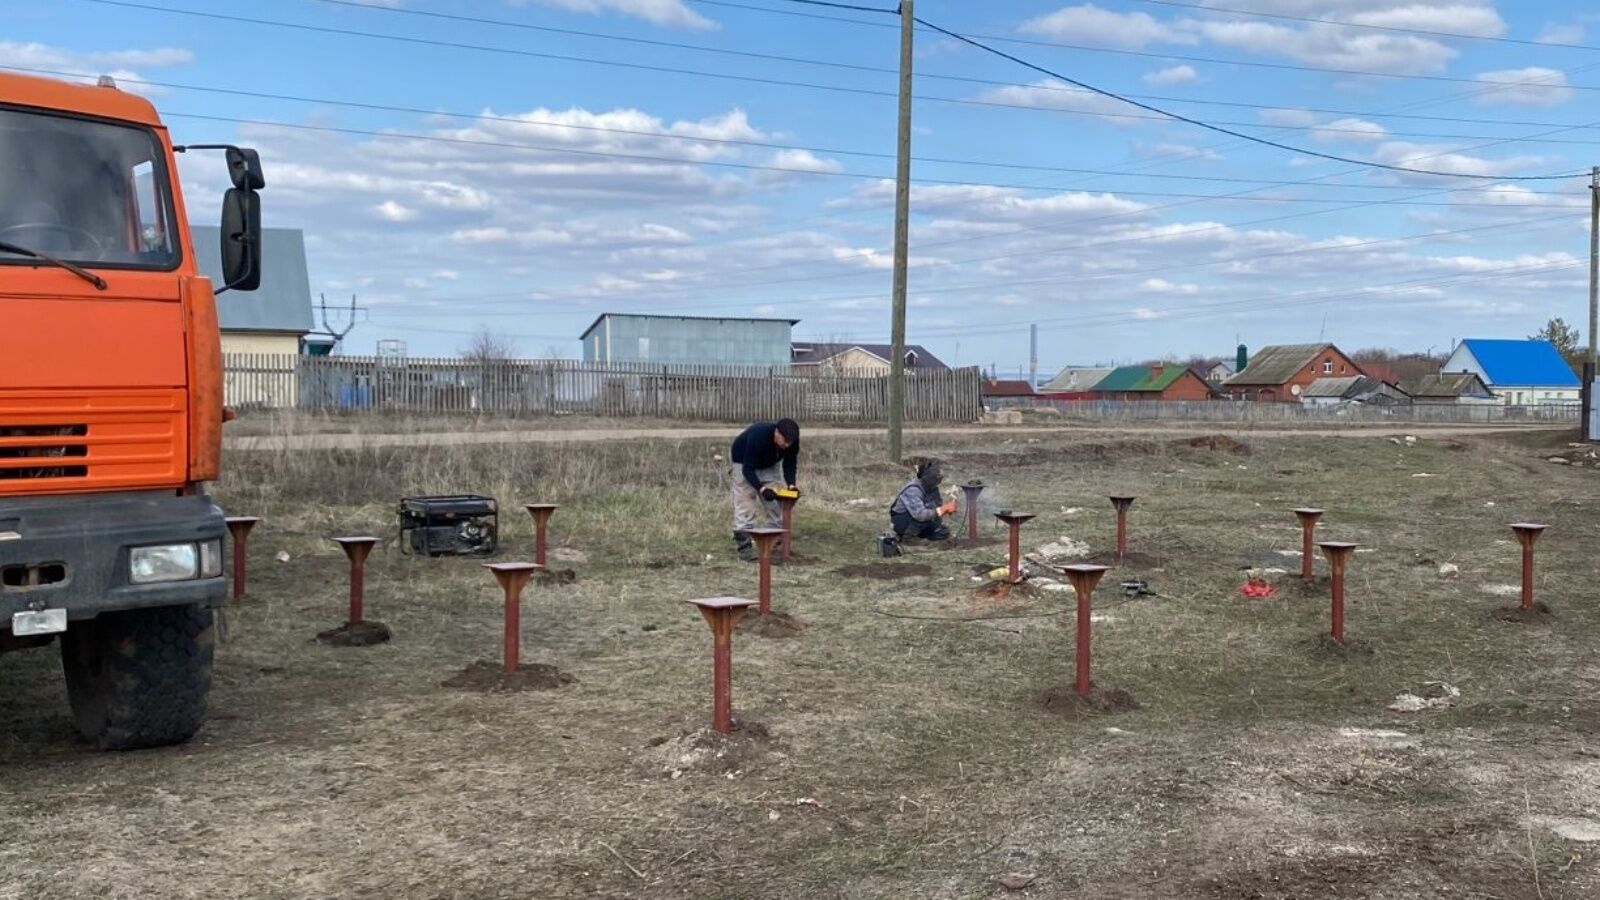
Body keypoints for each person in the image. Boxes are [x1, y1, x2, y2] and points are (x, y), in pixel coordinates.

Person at [729, 418, 800, 561]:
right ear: (777, 433)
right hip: (743, 461)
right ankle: (744, 547)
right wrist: (761, 489)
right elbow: (747, 469)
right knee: (745, 502)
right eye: (784, 441)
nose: (786, 445)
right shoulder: (759, 435)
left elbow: (790, 463)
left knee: (775, 505)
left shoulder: (792, 441)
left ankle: (771, 540)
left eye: (790, 443)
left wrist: (791, 485)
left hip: (769, 464)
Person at [889, 458, 957, 542]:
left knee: (943, 532)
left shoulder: (932, 489)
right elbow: (920, 515)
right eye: (935, 479)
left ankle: (922, 537)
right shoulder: (913, 489)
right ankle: (908, 538)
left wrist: (947, 509)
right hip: (902, 521)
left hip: (917, 521)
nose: (937, 482)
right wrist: (942, 509)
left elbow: (937, 507)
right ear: (927, 478)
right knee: (927, 513)